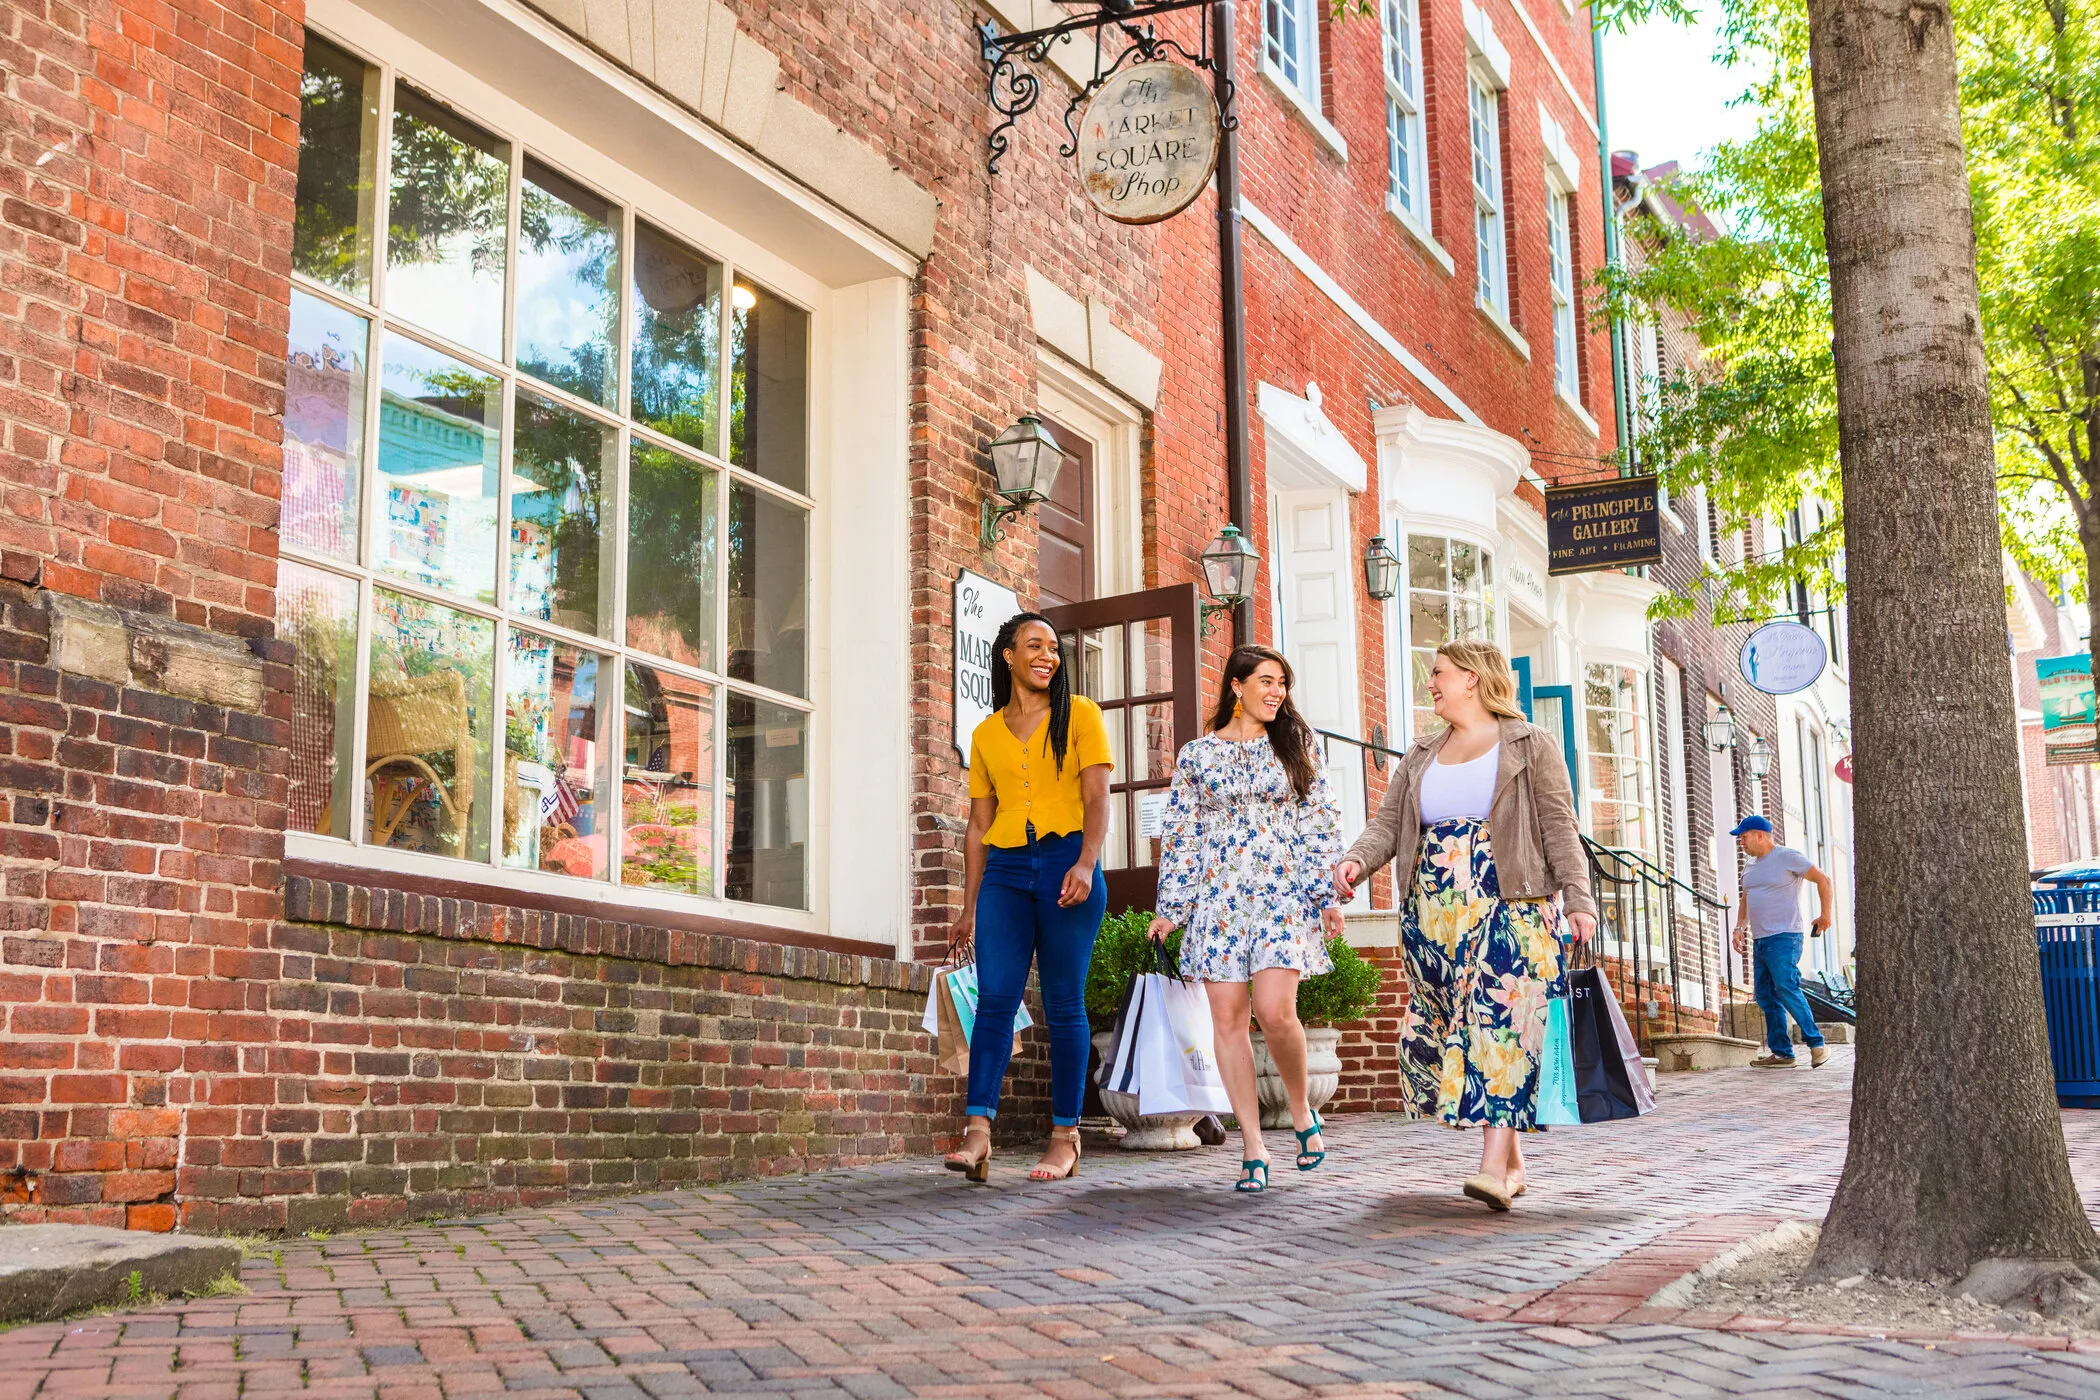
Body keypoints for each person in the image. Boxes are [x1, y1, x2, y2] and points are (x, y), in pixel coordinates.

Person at [1331, 640, 1596, 1213]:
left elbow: (1559, 826)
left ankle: (1491, 1170)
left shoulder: (1530, 745)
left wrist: (1580, 901)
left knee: (1498, 1024)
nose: (1432, 683)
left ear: (1473, 679)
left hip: (1512, 903)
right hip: (1434, 914)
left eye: (1440, 674)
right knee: (1467, 1029)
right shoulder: (1423, 751)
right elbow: (1386, 825)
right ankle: (1513, 1163)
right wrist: (1355, 861)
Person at [1147, 646, 1345, 1194]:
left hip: (1281, 895)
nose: (1277, 691)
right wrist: (1171, 908)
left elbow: (1321, 823)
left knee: (1276, 1012)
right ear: (1236, 686)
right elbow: (1182, 836)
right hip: (1217, 899)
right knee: (1228, 1021)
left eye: (1283, 682)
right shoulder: (1197, 756)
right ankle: (1253, 1148)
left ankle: (1301, 1110)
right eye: (1266, 681)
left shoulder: (1297, 747)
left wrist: (1326, 895)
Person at [944, 612, 1112, 1184]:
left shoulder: (1080, 715)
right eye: (1033, 645)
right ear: (1008, 655)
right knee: (994, 999)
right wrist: (969, 906)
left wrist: (1086, 864)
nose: (1047, 655)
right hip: (1006, 872)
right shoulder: (986, 733)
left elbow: (1096, 798)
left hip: (1068, 865)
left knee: (1064, 1004)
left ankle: (1066, 1136)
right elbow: (976, 825)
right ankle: (978, 1133)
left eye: (1054, 647)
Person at [1729, 814, 1835, 1069]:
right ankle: (1783, 1053)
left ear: (1760, 835)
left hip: (1785, 936)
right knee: (1766, 995)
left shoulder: (1788, 857)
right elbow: (1747, 897)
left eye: (1744, 837)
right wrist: (1739, 927)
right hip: (1761, 939)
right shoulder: (1750, 866)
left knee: (1786, 987)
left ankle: (1817, 1043)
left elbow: (1823, 880)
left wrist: (1825, 914)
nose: (1741, 842)